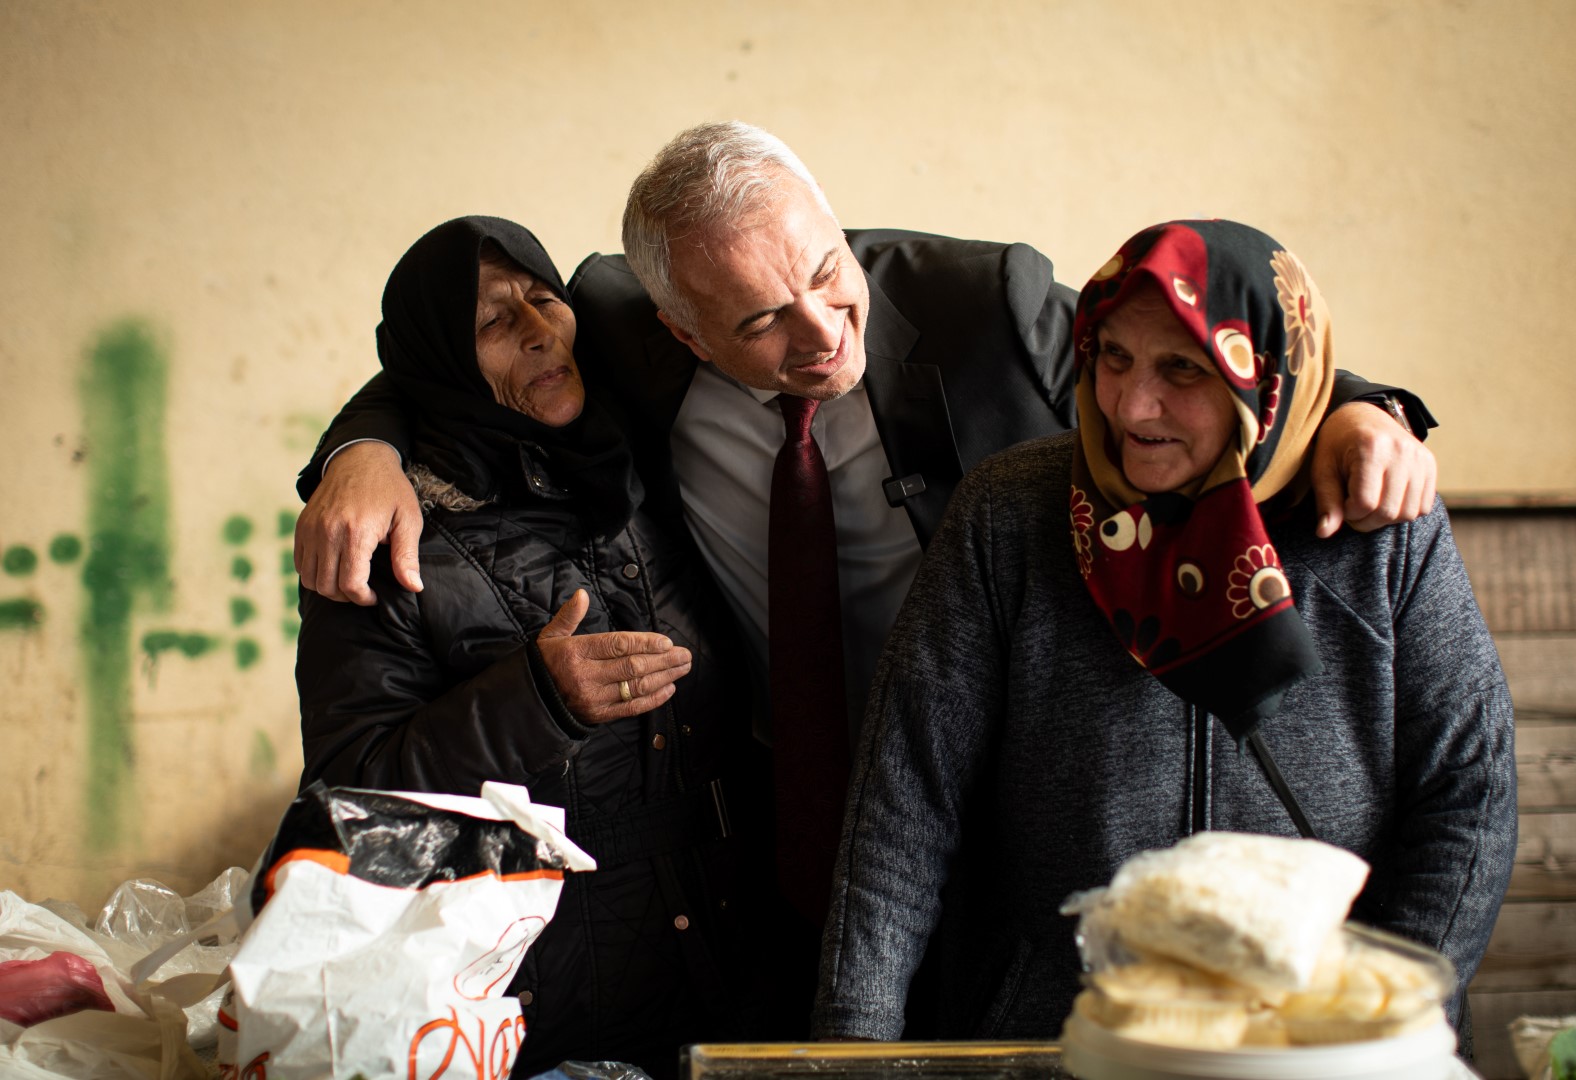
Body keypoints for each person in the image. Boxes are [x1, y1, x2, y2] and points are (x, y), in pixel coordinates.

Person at [292, 122, 1440, 1025]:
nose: (822, 333)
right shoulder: (613, 322)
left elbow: (1206, 355)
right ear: (684, 332)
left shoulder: (983, 301)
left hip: (1001, 801)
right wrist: (361, 451)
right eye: (759, 321)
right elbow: (462, 344)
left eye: (827, 273)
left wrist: (1361, 408)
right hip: (775, 825)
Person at [811, 220, 1515, 1058]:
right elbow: (905, 801)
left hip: (1321, 1044)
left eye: (1183, 368)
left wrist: (1387, 1023)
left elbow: (1468, 791)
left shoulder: (1378, 528)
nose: (1133, 407)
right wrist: (851, 1046)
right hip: (1066, 1041)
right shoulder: (1008, 516)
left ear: (1265, 381)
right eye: (1113, 357)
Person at [296, 216, 763, 1078]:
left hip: (741, 978)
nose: (540, 330)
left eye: (543, 298)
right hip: (543, 1013)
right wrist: (531, 706)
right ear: (441, 362)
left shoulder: (649, 457)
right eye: (492, 323)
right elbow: (345, 806)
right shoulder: (393, 541)